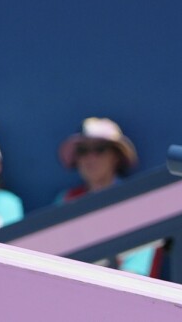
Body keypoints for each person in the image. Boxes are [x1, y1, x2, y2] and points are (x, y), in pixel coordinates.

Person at [55, 116, 158, 276]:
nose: (91, 158)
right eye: (83, 150)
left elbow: (136, 271)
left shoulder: (136, 202)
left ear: (115, 156)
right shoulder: (66, 200)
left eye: (100, 149)